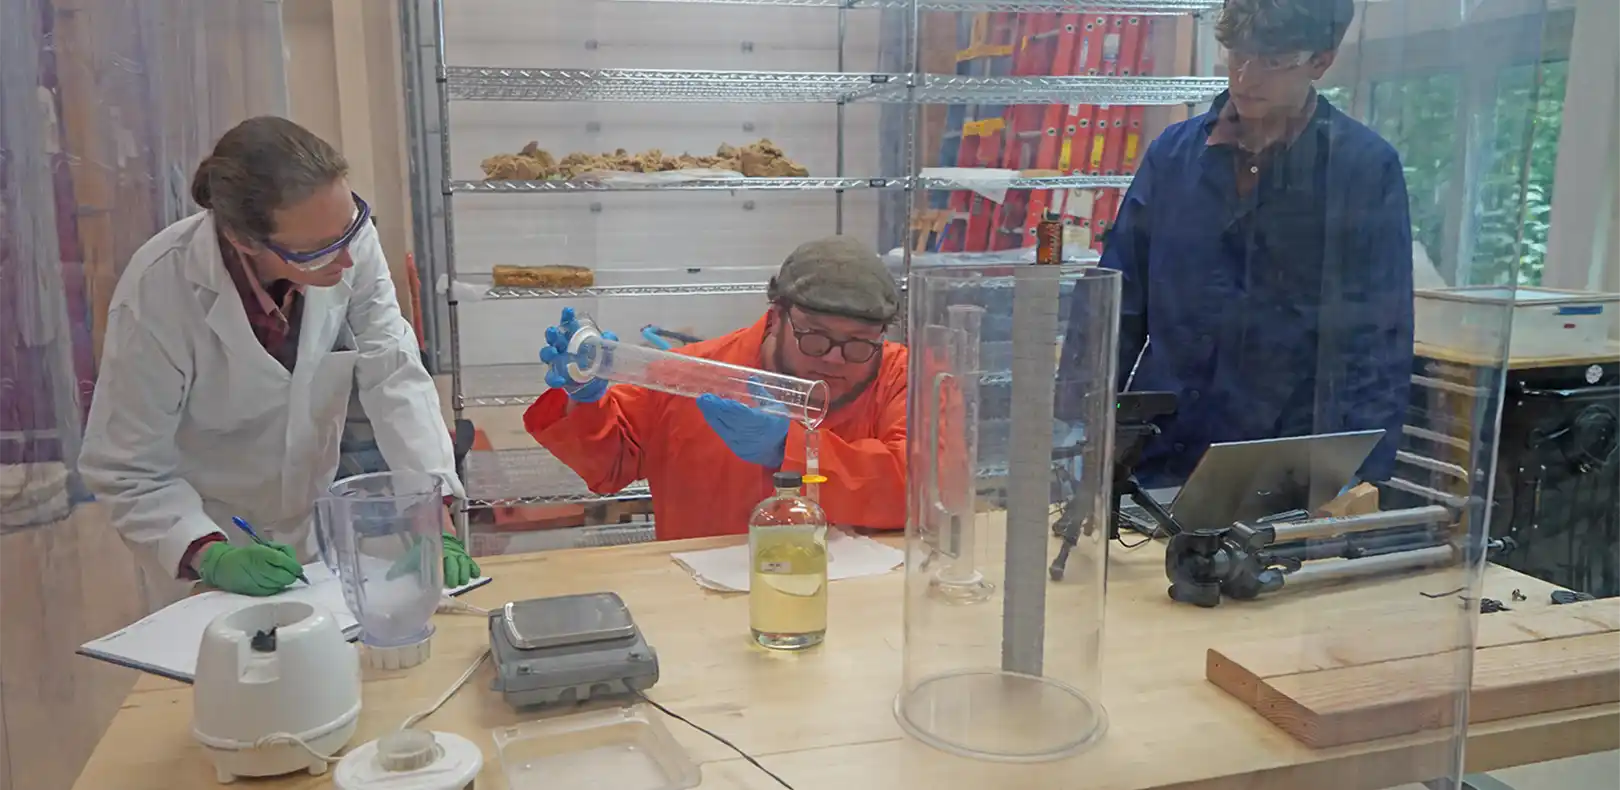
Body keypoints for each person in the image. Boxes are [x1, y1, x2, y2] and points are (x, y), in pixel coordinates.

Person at [79, 116, 478, 598]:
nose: (346, 259)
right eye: (320, 249)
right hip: (211, 540)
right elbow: (126, 469)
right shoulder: (158, 292)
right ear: (244, 240)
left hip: (311, 529)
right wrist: (209, 553)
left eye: (350, 227)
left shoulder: (347, 239)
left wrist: (432, 512)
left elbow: (393, 373)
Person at [1074, 0, 1412, 487]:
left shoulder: (1363, 170)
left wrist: (1361, 477)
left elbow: (1380, 341)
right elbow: (1112, 302)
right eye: (1236, 56)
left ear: (1322, 59)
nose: (1245, 78)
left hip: (1283, 460)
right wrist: (1072, 429)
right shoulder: (1172, 156)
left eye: (1273, 62)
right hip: (1161, 448)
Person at [526, 237, 907, 540]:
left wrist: (791, 451)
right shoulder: (692, 376)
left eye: (859, 343)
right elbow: (611, 465)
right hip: (701, 604)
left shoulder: (902, 379)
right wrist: (585, 400)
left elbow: (917, 490)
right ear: (776, 317)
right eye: (816, 338)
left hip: (863, 610)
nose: (836, 359)